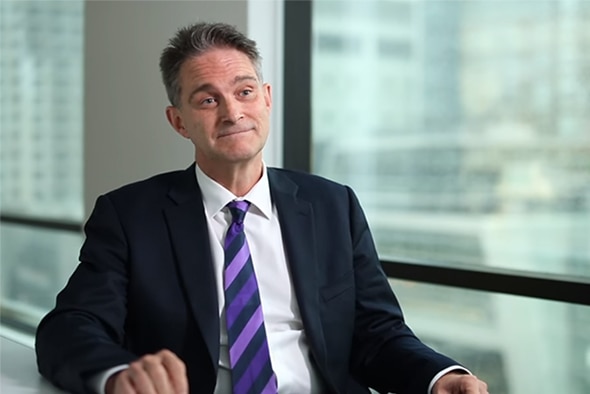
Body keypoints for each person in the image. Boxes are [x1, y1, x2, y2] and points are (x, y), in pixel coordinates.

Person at [35, 22, 489, 394]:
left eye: (245, 91)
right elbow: (71, 326)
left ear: (267, 98)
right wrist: (118, 376)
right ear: (179, 121)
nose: (232, 112)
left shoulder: (333, 205)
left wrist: (439, 376)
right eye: (208, 99)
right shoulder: (131, 216)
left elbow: (376, 332)